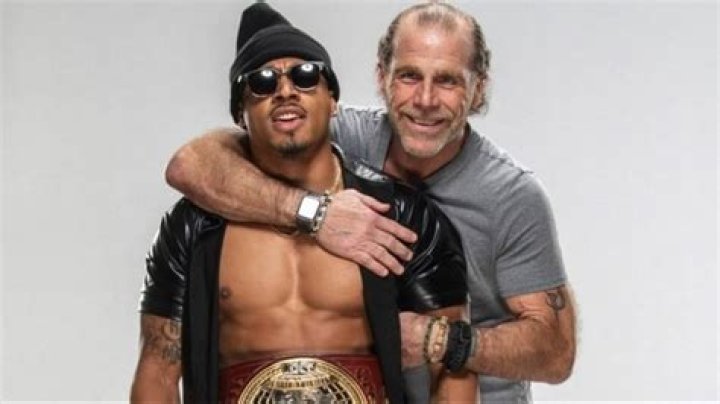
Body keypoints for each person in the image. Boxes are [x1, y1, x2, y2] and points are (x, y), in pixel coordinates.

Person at [165, 2, 577, 402]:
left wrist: (439, 340)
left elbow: (556, 353)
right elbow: (192, 165)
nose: (426, 99)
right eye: (409, 76)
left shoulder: (511, 197)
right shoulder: (342, 138)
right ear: (382, 77)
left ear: (478, 88)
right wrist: (315, 213)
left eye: (447, 81)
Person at [129, 2, 477, 403]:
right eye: (261, 82)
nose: (285, 90)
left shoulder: (403, 215)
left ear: (333, 100)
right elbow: (158, 370)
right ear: (240, 115)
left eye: (306, 75)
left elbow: (452, 366)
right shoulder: (194, 226)